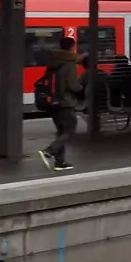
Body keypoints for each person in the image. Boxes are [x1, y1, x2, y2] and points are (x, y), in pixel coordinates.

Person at [38, 36, 85, 171]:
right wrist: (81, 88)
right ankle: (49, 151)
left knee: (61, 132)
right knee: (70, 131)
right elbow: (73, 86)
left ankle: (60, 162)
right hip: (65, 103)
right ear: (72, 47)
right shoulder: (69, 64)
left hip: (53, 103)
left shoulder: (53, 62)